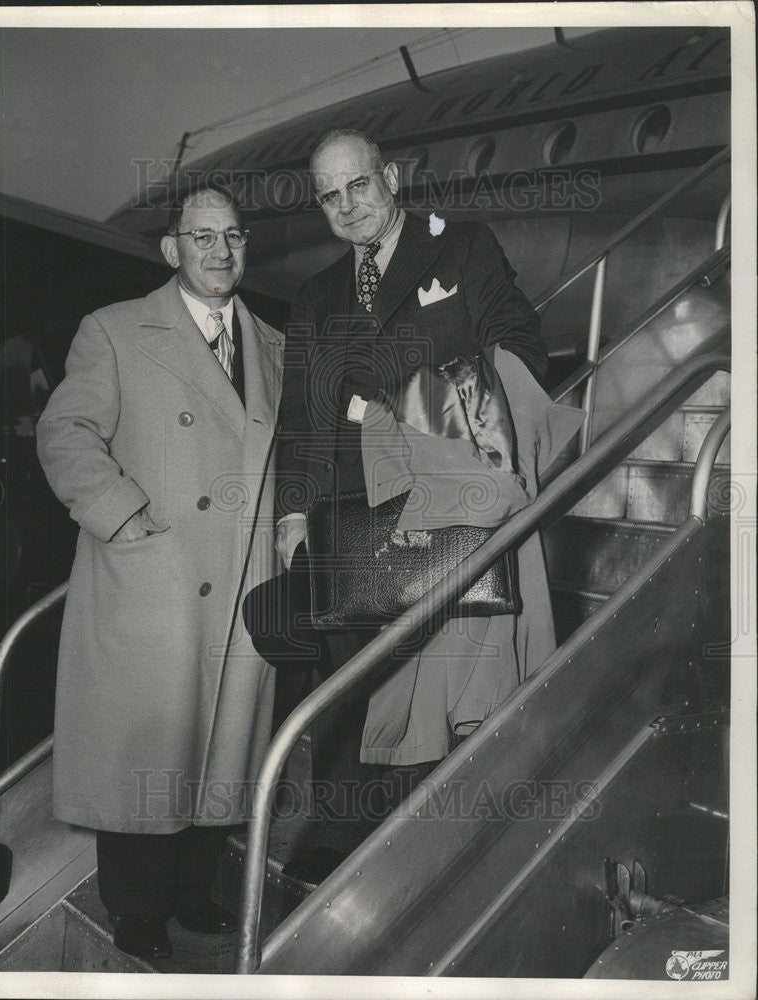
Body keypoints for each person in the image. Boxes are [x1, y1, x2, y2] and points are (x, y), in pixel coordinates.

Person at [275, 128, 553, 886]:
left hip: (441, 500)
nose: (346, 206)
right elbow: (300, 417)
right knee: (346, 679)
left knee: (442, 674)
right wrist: (293, 515)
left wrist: (410, 411)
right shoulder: (315, 293)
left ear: (390, 177)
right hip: (346, 515)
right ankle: (339, 831)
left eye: (358, 185)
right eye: (329, 196)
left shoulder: (461, 247)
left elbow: (521, 349)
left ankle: (439, 846)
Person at [36, 187, 284, 960]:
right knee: (145, 747)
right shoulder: (114, 330)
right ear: (172, 250)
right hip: (155, 574)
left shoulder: (275, 345)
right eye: (202, 237)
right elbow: (66, 430)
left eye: (233, 237)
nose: (220, 251)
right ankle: (135, 909)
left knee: (224, 746)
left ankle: (193, 893)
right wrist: (117, 512)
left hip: (243, 582)